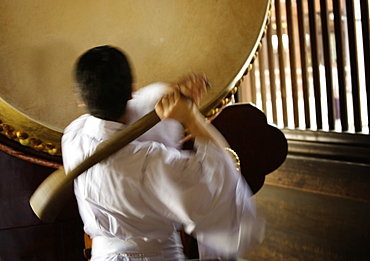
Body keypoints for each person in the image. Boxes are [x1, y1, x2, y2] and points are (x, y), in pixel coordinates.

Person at [62, 45, 264, 261]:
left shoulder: (73, 137)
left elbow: (133, 107)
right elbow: (217, 181)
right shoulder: (151, 162)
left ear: (81, 100)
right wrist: (190, 117)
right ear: (131, 90)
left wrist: (170, 93)